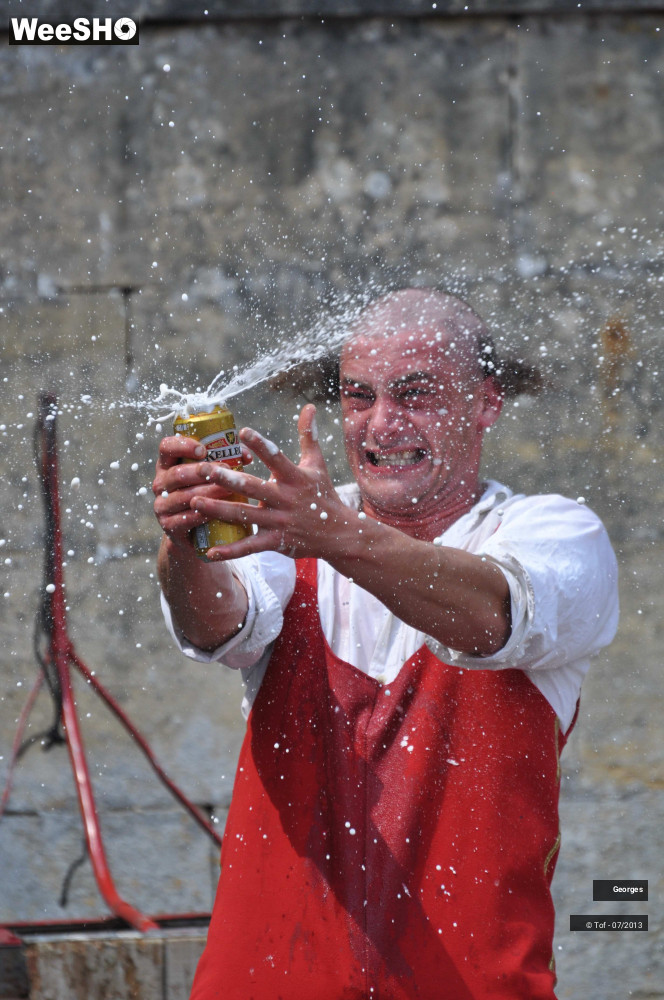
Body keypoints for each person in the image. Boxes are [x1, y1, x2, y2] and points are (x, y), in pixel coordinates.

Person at [153, 288, 618, 1000]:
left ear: (486, 403)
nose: (381, 422)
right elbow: (215, 626)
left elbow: (494, 615)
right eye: (359, 396)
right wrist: (186, 540)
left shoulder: (555, 534)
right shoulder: (292, 536)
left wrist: (334, 534)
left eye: (415, 394)